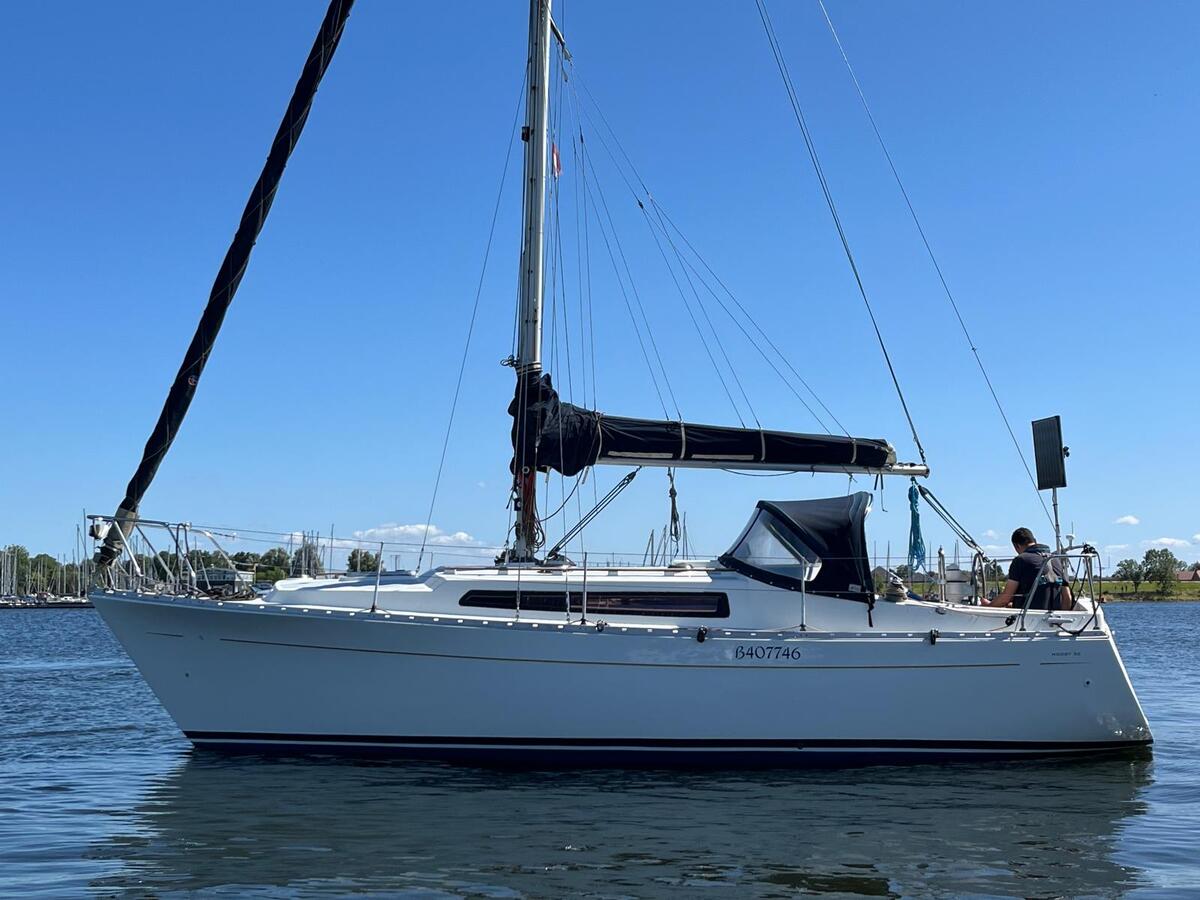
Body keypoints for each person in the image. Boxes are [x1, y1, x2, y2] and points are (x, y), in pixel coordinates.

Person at [985, 527, 1073, 611]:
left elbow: (1006, 598)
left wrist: (987, 607)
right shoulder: (1056, 561)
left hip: (1028, 618)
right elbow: (1067, 597)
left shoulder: (1021, 560)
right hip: (1054, 618)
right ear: (1034, 540)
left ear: (1017, 546)